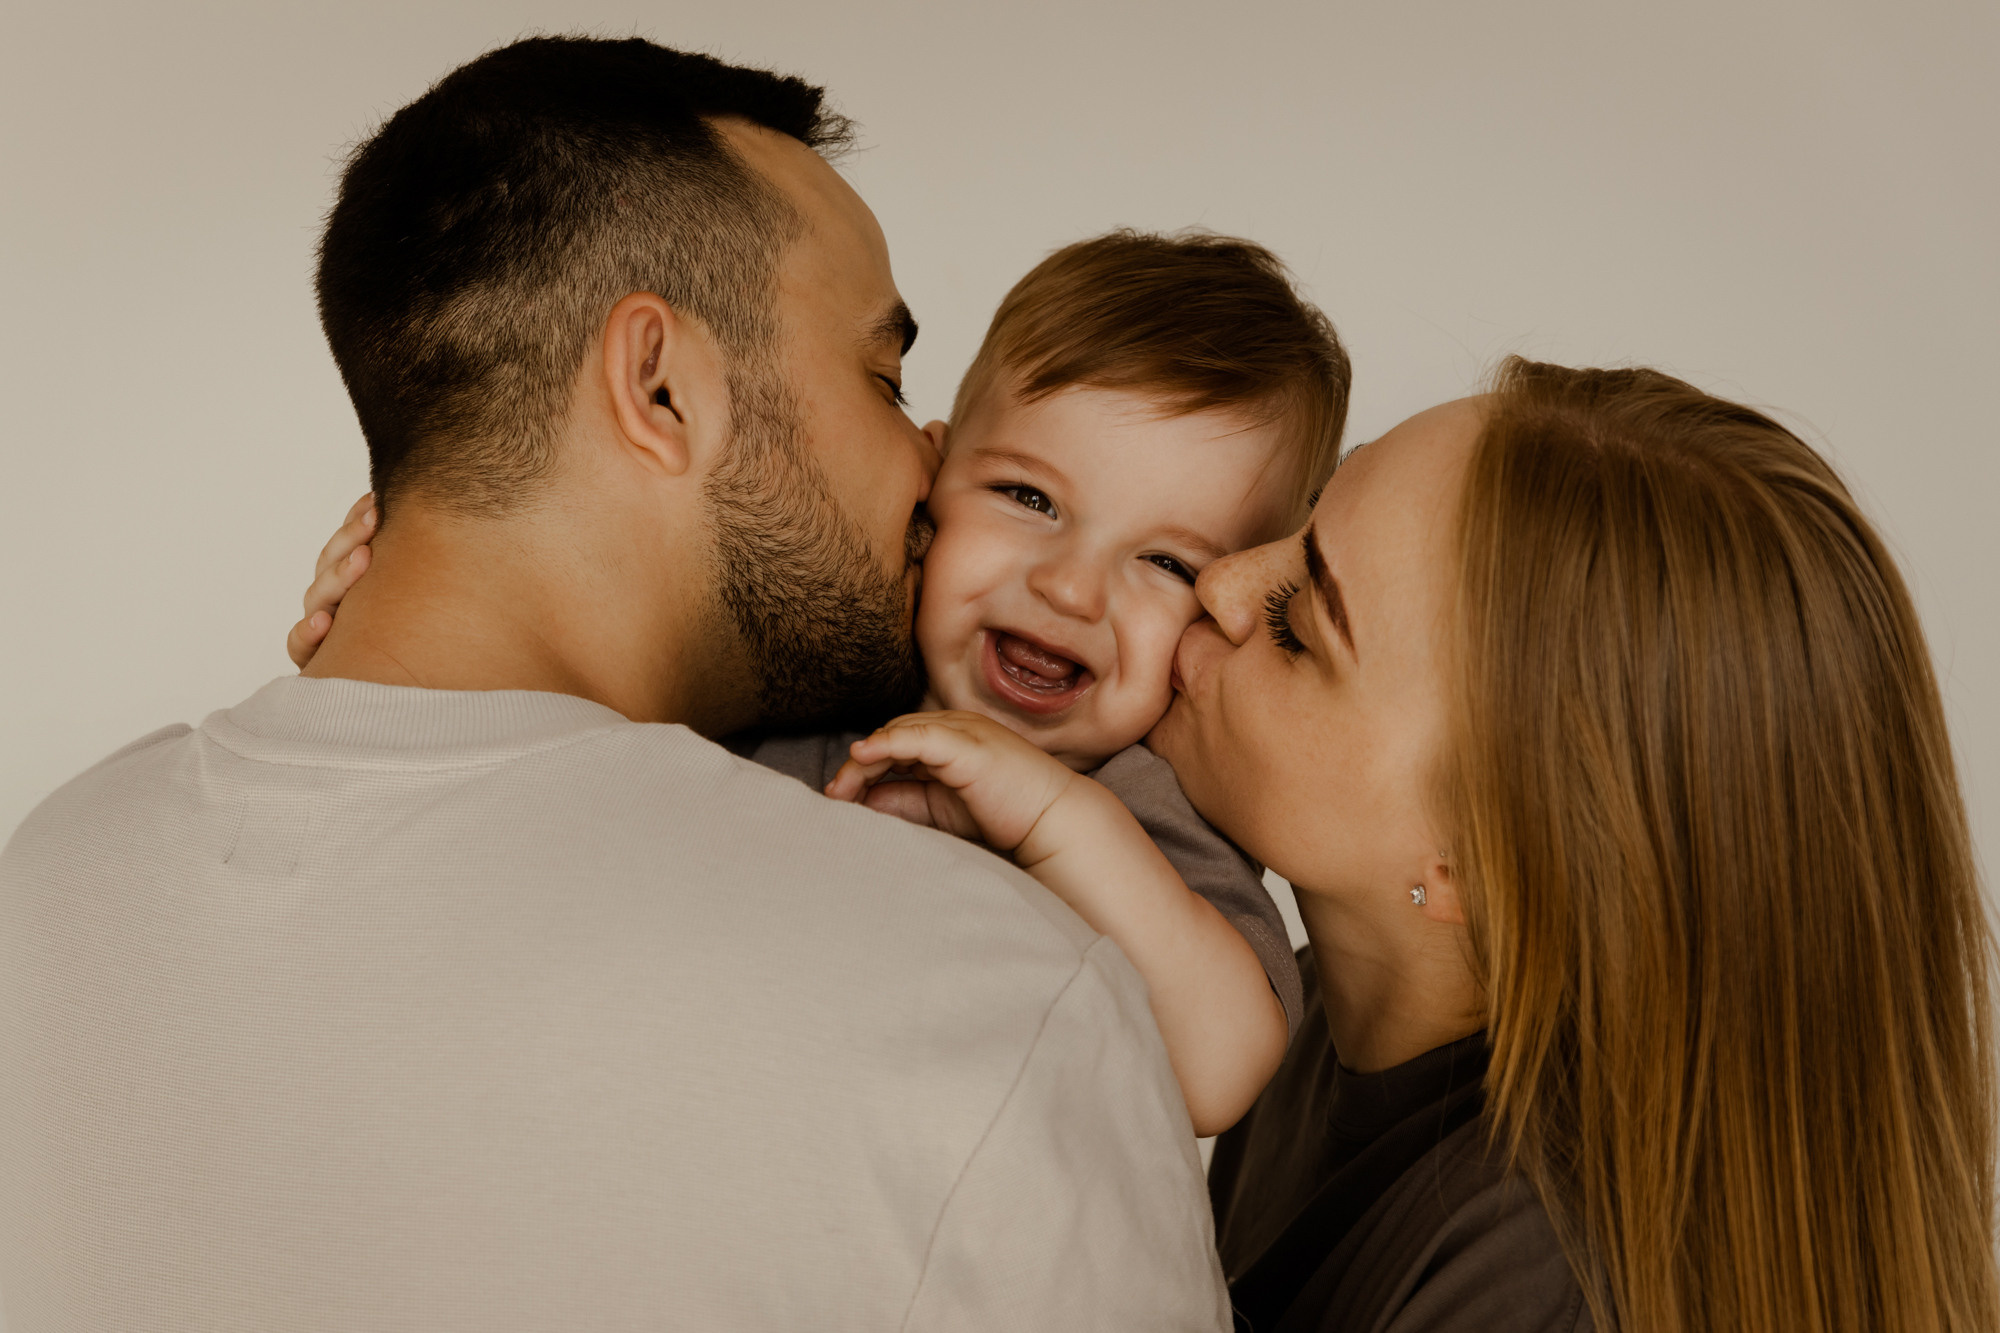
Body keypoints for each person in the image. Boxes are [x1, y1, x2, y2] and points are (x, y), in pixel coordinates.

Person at [0, 37, 1233, 1331]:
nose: (935, 458)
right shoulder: (986, 990)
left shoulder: (50, 876)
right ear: (660, 386)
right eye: (886, 377)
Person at [293, 229, 1356, 1134]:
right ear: (931, 474)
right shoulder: (813, 677)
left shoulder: (1141, 797)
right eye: (1029, 498)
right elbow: (543, 785)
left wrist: (1049, 818)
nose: (1071, 588)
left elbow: (1217, 1071)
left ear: (1228, 600)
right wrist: (404, 620)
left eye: (1167, 563)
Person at [1150, 360, 1999, 1330]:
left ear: (1476, 864)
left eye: (1296, 623)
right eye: (1303, 519)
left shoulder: (1546, 1287)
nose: (1219, 581)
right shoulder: (1290, 1012)